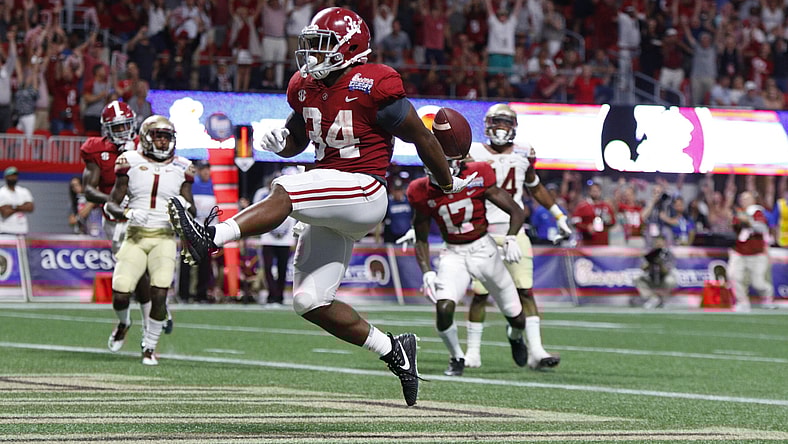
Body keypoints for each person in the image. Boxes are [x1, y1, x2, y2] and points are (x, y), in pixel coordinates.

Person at [168, 6, 475, 406]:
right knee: (309, 301)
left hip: (364, 189)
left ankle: (210, 237)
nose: (312, 54)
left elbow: (422, 137)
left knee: (286, 189)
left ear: (350, 47)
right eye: (311, 44)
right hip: (334, 195)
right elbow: (299, 138)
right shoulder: (305, 86)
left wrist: (445, 180)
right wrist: (283, 142)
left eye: (322, 45)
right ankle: (394, 349)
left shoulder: (374, 83)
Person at [464, 104, 569, 370]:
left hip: (515, 230)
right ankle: (472, 353)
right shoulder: (472, 152)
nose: (501, 128)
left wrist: (558, 215)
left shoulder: (524, 151)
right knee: (479, 294)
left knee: (526, 292)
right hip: (483, 234)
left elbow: (535, 186)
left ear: (514, 127)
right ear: (487, 125)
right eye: (496, 122)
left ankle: (536, 351)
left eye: (505, 122)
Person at [407, 159, 529, 377]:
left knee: (517, 318)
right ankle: (456, 357)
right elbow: (421, 237)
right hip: (453, 253)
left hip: (485, 249)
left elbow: (516, 211)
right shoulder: (420, 190)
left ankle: (515, 337)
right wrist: (426, 271)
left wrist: (511, 237)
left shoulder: (477, 174)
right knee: (443, 307)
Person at [80, 101, 170, 352]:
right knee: (136, 273)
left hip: (148, 213)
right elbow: (88, 189)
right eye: (116, 127)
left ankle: (155, 314)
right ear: (106, 128)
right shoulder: (96, 150)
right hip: (117, 219)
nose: (121, 132)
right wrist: (116, 203)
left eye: (125, 126)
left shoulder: (145, 145)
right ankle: (134, 320)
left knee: (152, 265)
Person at [105, 115, 196, 366]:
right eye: (158, 136)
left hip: (164, 237)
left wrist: (184, 208)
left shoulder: (183, 166)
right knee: (121, 293)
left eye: (167, 137)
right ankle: (124, 322)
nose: (163, 141)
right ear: (146, 136)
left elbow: (193, 209)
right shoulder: (129, 161)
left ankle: (149, 346)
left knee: (160, 292)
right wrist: (128, 212)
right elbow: (111, 203)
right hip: (135, 235)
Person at [729, 191, 774, 312]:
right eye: (742, 199)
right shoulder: (739, 213)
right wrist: (737, 220)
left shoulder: (757, 211)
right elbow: (735, 229)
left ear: (753, 200)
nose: (744, 201)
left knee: (758, 282)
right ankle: (742, 302)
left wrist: (748, 221)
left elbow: (762, 228)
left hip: (757, 253)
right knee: (734, 276)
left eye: (747, 199)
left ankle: (767, 298)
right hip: (740, 252)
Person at [632, 235, 677, 308]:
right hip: (652, 278)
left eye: (660, 241)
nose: (658, 243)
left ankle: (663, 299)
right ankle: (652, 298)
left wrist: (660, 263)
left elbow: (666, 271)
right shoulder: (650, 253)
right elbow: (642, 268)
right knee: (637, 278)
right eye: (656, 242)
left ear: (664, 242)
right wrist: (650, 262)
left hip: (663, 279)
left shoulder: (669, 254)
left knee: (670, 280)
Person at [0, 167, 35, 235]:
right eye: (11, 175)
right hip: (6, 230)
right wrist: (22, 207)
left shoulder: (24, 191)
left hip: (22, 230)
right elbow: (5, 213)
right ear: (6, 177)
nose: (13, 177)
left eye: (15, 175)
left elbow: (30, 208)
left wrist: (13, 206)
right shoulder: (1, 192)